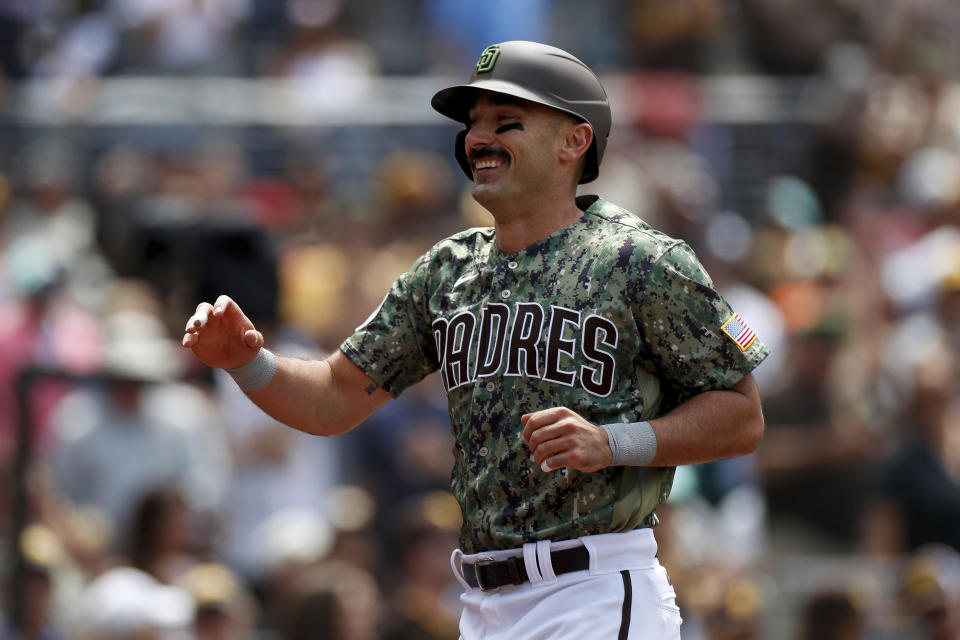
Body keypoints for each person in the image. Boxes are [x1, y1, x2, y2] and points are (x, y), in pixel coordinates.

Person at [182, 40, 768, 639]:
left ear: (574, 140)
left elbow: (742, 415)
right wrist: (249, 364)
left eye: (505, 122)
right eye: (473, 124)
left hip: (593, 590)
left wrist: (615, 442)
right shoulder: (447, 270)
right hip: (483, 604)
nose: (478, 139)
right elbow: (335, 395)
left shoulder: (641, 260)